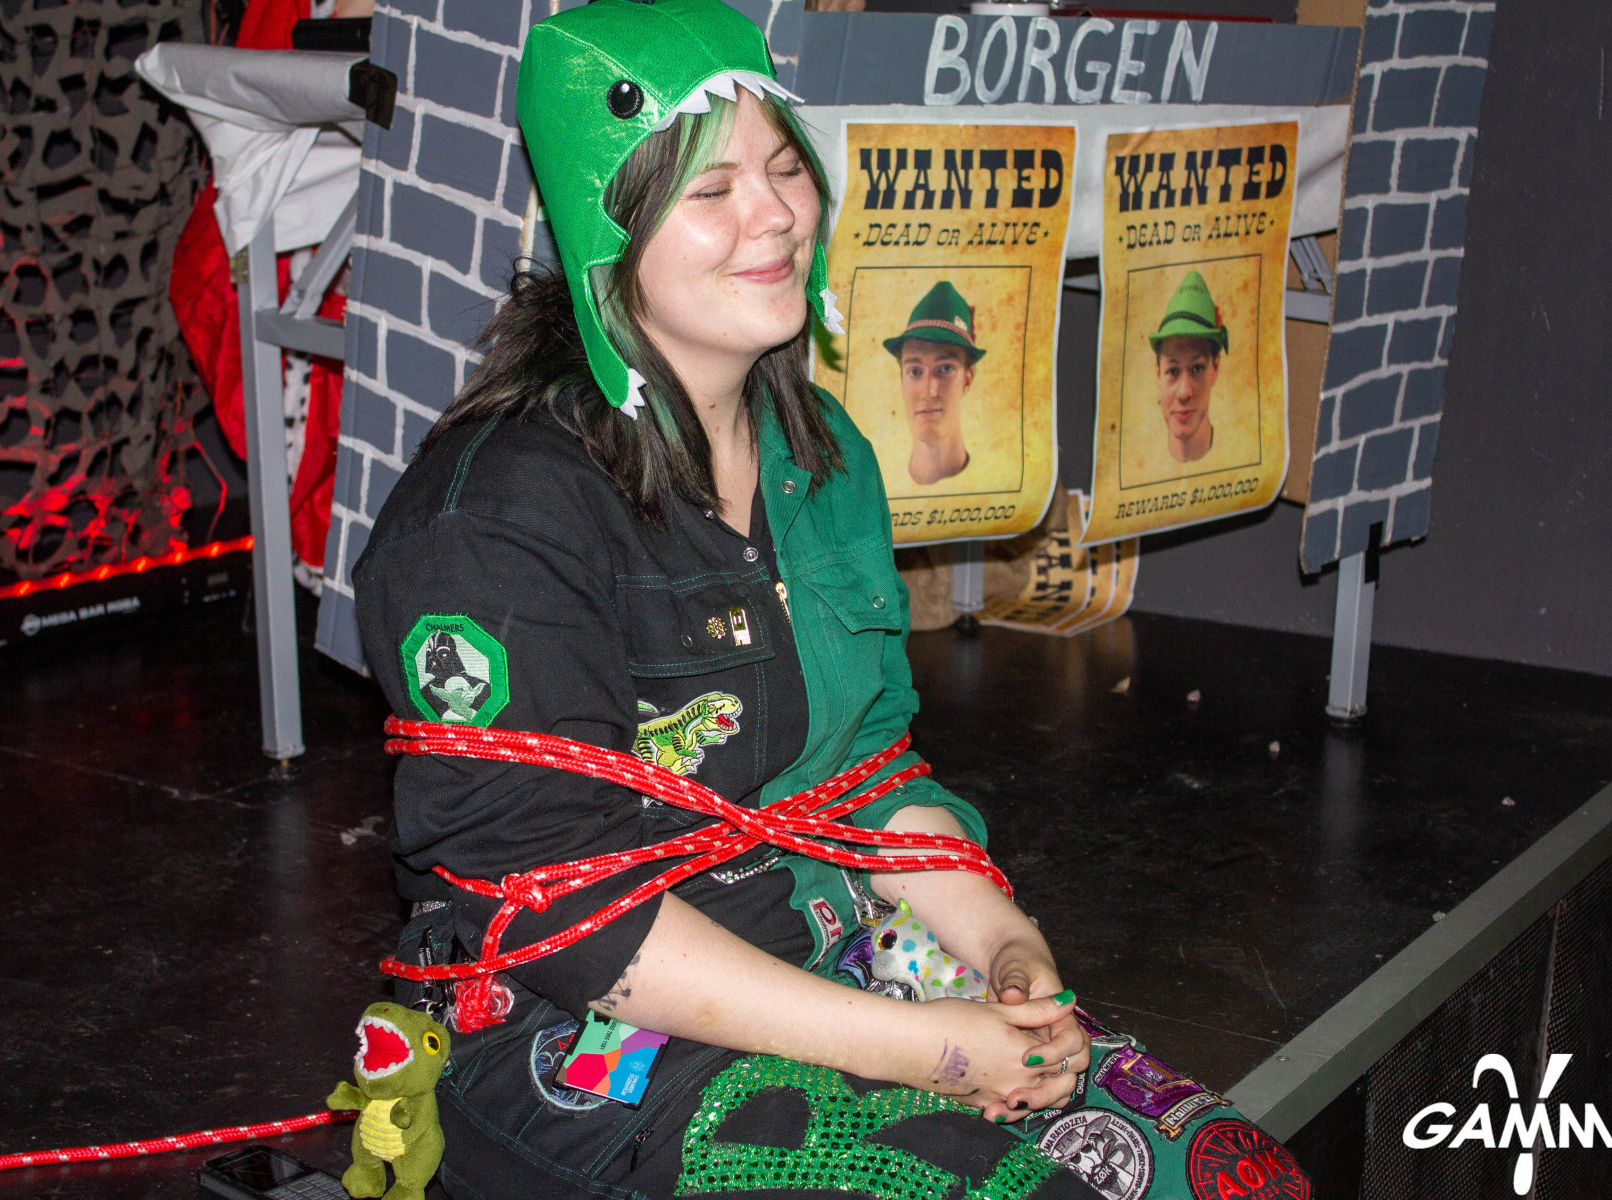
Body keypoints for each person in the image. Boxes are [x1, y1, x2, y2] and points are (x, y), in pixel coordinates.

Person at [353, 3, 1310, 1198]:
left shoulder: (822, 456)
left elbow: (866, 774)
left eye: (786, 168)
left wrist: (1005, 948)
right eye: (712, 190)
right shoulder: (494, 519)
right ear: (609, 228)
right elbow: (563, 913)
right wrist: (932, 1050)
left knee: (1229, 1179)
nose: (775, 216)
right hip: (585, 1040)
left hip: (829, 950)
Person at [885, 280, 984, 486]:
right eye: (915, 371)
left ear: (967, 380)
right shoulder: (876, 480)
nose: (929, 391)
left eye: (945, 369)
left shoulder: (994, 479)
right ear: (901, 381)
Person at [1147, 270, 1228, 465]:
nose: (1184, 392)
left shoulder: (1239, 455)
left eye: (1197, 369)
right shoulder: (1141, 464)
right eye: (1173, 371)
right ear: (1158, 373)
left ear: (1215, 367)